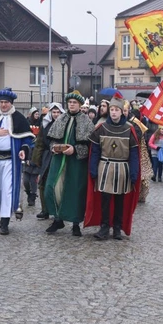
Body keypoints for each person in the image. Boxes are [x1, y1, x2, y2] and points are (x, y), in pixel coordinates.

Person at [0, 88, 34, 235]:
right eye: (1, 102)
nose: (3, 105)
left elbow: (27, 139)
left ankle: (5, 221)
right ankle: (1, 215)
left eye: (6, 102)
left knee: (8, 189)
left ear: (11, 103)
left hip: (11, 161)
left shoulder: (19, 118)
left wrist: (24, 149)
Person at [85, 96, 140, 240]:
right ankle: (104, 228)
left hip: (122, 169)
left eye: (117, 110)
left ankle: (117, 228)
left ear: (122, 112)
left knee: (120, 201)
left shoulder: (129, 129)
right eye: (112, 110)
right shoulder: (101, 128)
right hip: (105, 167)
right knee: (104, 199)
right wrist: (93, 169)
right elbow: (95, 150)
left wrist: (134, 173)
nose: (114, 112)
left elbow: (134, 154)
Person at [43, 91, 94, 236]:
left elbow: (90, 146)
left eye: (74, 103)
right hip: (59, 160)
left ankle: (76, 223)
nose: (72, 105)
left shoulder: (86, 121)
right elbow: (52, 139)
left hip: (76, 163)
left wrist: (75, 149)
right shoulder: (61, 119)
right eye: (70, 102)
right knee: (52, 188)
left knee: (75, 191)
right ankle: (57, 219)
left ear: (79, 105)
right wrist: (54, 147)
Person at [32, 102, 64, 220]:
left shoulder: (64, 124)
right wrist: (37, 159)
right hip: (47, 156)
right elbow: (40, 143)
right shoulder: (45, 125)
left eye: (58, 112)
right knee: (43, 183)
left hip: (60, 156)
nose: (56, 114)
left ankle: (58, 210)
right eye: (54, 112)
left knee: (58, 185)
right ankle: (45, 209)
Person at [21, 107, 42, 207]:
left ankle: (32, 197)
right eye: (35, 114)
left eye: (38, 114)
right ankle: (29, 193)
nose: (37, 116)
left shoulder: (41, 124)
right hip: (28, 153)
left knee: (34, 181)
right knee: (25, 181)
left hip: (36, 156)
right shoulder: (27, 123)